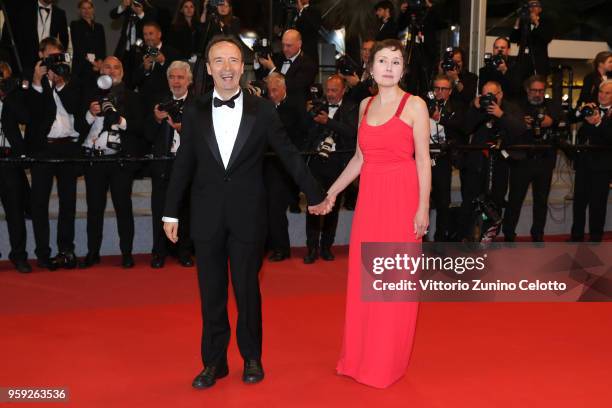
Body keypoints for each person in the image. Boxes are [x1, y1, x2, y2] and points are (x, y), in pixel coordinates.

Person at [162, 35, 327, 389]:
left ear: (243, 66)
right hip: (206, 215)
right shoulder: (193, 109)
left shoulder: (263, 110)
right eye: (218, 61)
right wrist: (170, 212)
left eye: (233, 60)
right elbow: (183, 164)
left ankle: (252, 357)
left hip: (249, 216)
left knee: (247, 290)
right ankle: (214, 362)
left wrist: (315, 193)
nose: (226, 67)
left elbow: (288, 153)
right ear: (207, 68)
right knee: (211, 291)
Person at [317, 39, 431, 388]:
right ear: (371, 66)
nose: (388, 67)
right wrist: (332, 192)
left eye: (395, 62)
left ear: (403, 69)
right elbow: (359, 159)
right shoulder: (365, 105)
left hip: (402, 198)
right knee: (365, 280)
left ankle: (385, 363)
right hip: (370, 201)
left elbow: (424, 160)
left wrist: (423, 207)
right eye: (382, 60)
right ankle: (358, 358)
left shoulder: (415, 106)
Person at [79, 56, 144, 269]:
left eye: (117, 67)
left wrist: (120, 121)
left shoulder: (133, 97)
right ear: (101, 70)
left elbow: (140, 128)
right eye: (108, 66)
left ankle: (126, 253)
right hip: (94, 160)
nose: (112, 70)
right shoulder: (89, 96)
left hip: (120, 161)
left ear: (123, 72)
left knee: (123, 208)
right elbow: (77, 127)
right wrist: (90, 114)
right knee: (94, 210)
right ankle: (93, 252)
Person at [26, 37, 84, 270]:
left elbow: (75, 107)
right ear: (41, 55)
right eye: (50, 56)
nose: (54, 61)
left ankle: (66, 250)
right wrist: (38, 83)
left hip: (67, 146)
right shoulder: (32, 80)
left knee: (68, 203)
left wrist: (60, 82)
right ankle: (42, 253)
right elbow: (31, 112)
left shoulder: (71, 79)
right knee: (39, 203)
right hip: (43, 147)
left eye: (58, 56)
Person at [303, 74, 357, 263]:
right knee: (313, 206)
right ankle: (311, 248)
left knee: (332, 207)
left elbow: (352, 132)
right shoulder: (319, 105)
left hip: (338, 162)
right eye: (328, 90)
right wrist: (308, 115)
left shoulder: (351, 107)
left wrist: (329, 122)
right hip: (317, 161)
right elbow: (306, 133)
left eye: (334, 90)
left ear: (343, 90)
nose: (330, 94)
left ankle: (326, 247)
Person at [146, 60, 195, 268]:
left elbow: (208, 137)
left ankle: (184, 252)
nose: (176, 81)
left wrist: (186, 129)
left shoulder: (198, 105)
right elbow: (144, 135)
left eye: (180, 77)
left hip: (188, 165)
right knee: (159, 208)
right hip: (162, 165)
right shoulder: (157, 103)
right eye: (172, 77)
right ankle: (159, 252)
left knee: (186, 209)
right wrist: (156, 120)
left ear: (189, 81)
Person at [570, 80, 612, 242]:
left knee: (598, 204)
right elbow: (570, 119)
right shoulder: (591, 108)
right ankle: (576, 235)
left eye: (608, 93)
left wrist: (599, 123)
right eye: (601, 92)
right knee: (579, 203)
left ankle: (596, 238)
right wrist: (581, 112)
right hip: (584, 163)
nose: (603, 95)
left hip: (603, 166)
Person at [0, 61, 31, 273]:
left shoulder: (15, 96)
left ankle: (19, 256)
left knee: (15, 212)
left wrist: (7, 96)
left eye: (4, 77)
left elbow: (25, 118)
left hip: (9, 159)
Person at [70, 0, 107, 84]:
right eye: (84, 8)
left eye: (89, 8)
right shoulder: (75, 25)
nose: (87, 11)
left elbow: (102, 47)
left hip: (98, 67)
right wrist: (94, 63)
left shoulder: (99, 27)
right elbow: (79, 47)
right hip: (82, 66)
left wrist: (100, 62)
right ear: (79, 10)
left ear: (93, 9)